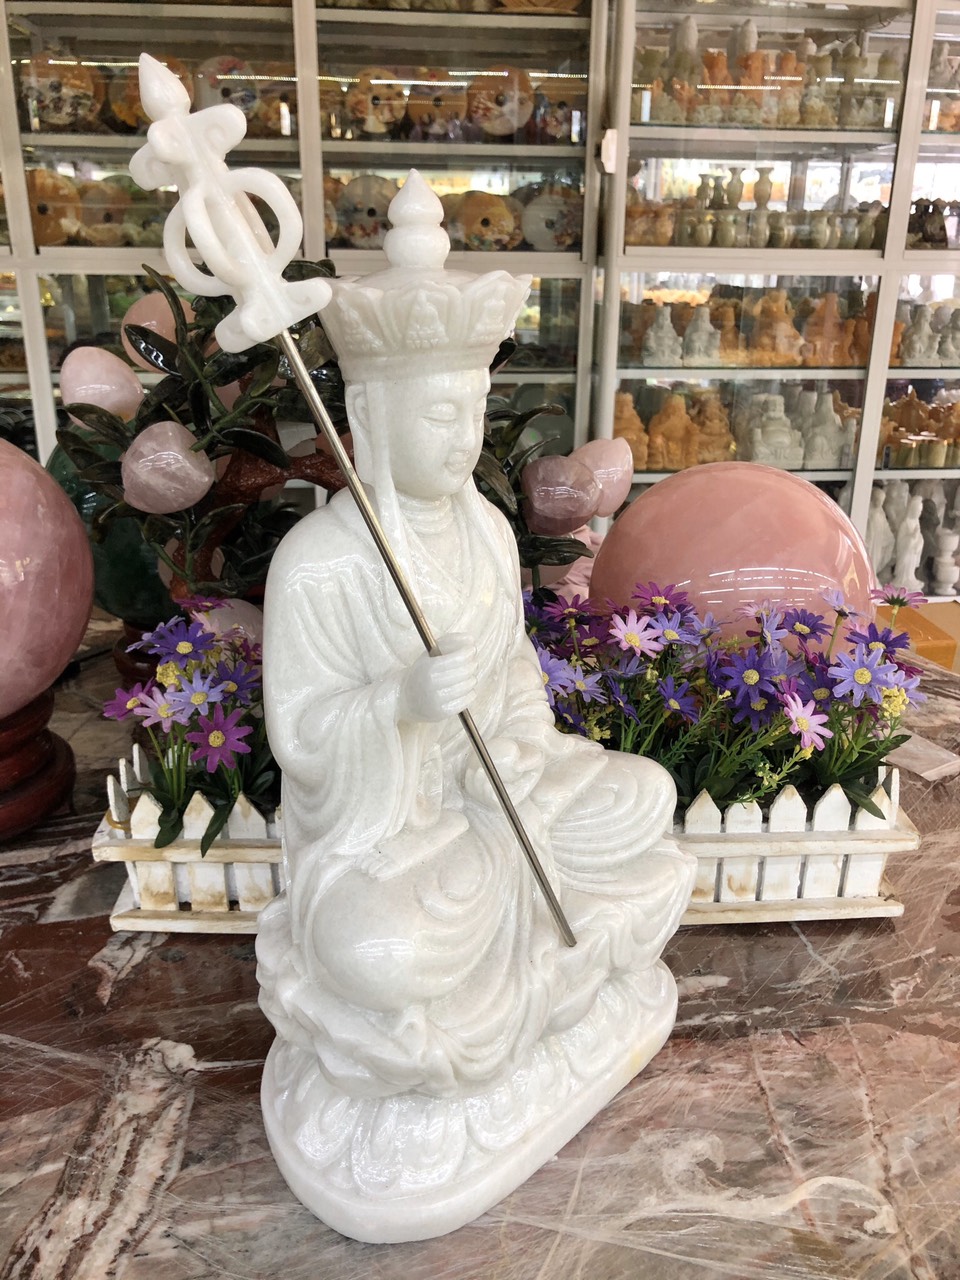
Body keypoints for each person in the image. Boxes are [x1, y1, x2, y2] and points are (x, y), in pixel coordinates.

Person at [256, 172, 694, 1241]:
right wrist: (399, 703)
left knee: (643, 795)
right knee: (380, 954)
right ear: (370, 415)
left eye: (475, 414)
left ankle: (547, 945)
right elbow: (301, 740)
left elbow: (515, 684)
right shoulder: (321, 562)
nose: (463, 440)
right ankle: (508, 980)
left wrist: (524, 757)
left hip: (505, 793)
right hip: (393, 842)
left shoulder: (490, 532)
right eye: (439, 415)